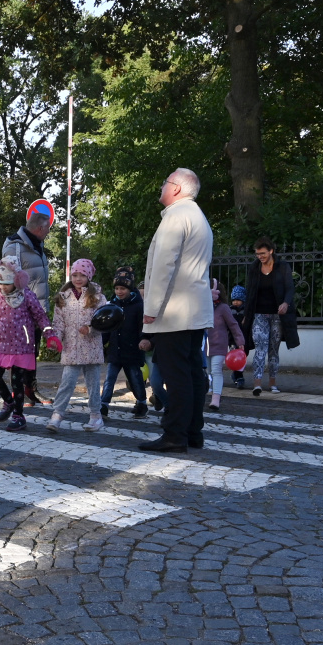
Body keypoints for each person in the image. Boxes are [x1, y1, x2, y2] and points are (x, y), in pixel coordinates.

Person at [139, 168, 214, 453]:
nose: (162, 185)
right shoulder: (198, 217)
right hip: (194, 310)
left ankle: (175, 435)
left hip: (173, 311)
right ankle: (193, 432)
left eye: (166, 181)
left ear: (178, 189)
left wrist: (152, 308)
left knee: (176, 374)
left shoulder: (176, 216)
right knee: (193, 372)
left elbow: (163, 267)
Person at [0, 256, 60, 432]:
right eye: (0, 284)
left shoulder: (27, 296)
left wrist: (50, 335)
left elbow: (41, 316)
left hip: (22, 345)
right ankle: (8, 403)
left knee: (17, 382)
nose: (3, 287)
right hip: (3, 345)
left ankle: (19, 416)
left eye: (7, 284)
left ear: (17, 281)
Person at [3, 203, 55, 406]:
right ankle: (18, 393)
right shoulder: (14, 246)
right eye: (48, 229)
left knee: (32, 352)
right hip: (21, 310)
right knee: (20, 353)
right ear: (40, 228)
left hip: (37, 308)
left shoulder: (37, 245)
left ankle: (30, 390)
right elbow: (9, 279)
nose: (48, 233)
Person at [49, 259, 108, 432]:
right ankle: (57, 415)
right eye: (75, 275)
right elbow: (58, 323)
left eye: (82, 275)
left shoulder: (97, 297)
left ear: (88, 276)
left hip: (91, 348)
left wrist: (90, 328)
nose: (78, 278)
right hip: (71, 349)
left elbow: (105, 321)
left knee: (93, 384)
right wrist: (55, 339)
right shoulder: (63, 297)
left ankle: (96, 416)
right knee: (67, 382)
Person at [241, 239, 299, 396]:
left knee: (273, 350)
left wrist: (286, 303)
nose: (260, 256)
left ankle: (272, 383)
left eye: (263, 253)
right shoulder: (254, 268)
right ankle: (257, 384)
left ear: (271, 251)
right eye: (257, 254)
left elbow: (289, 288)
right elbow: (250, 291)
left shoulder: (282, 267)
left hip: (277, 316)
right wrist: (247, 315)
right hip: (259, 314)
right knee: (260, 348)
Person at [101, 268, 148, 420]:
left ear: (129, 289)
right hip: (115, 349)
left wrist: (143, 339)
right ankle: (104, 405)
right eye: (116, 288)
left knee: (135, 379)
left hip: (132, 350)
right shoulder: (112, 305)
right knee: (110, 379)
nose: (119, 291)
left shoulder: (138, 306)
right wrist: (102, 343)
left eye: (122, 288)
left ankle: (141, 403)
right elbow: (108, 327)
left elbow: (142, 327)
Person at [206, 279, 245, 411]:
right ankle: (207, 393)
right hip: (204, 346)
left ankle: (215, 398)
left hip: (219, 346)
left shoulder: (223, 308)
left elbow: (233, 325)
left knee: (216, 371)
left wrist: (240, 341)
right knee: (207, 371)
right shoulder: (202, 307)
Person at [228, 286, 247, 389]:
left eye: (238, 300)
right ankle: (239, 377)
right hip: (232, 339)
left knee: (243, 357)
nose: (235, 302)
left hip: (243, 338)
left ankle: (236, 374)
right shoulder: (230, 310)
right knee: (235, 357)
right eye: (234, 300)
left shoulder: (245, 311)